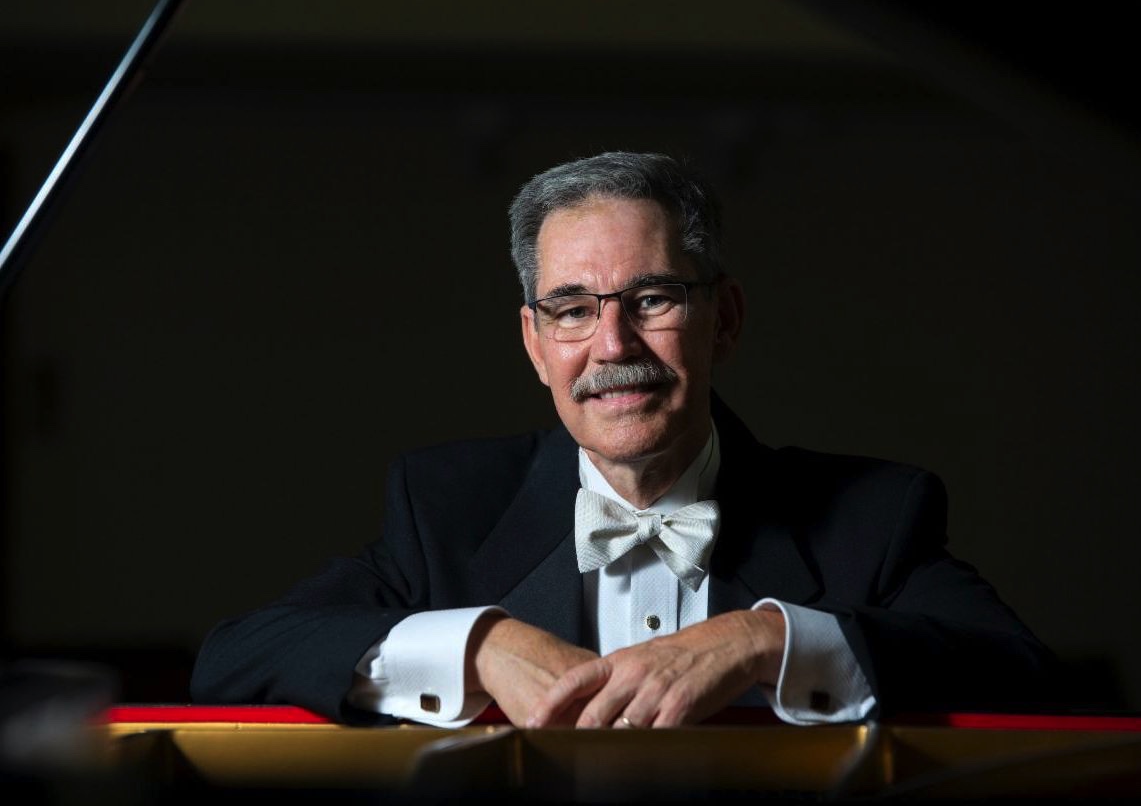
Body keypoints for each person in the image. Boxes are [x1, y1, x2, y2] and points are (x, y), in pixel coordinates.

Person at [190, 152, 1053, 729]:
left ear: (725, 320)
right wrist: (478, 645)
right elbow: (236, 656)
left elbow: (1025, 675)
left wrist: (764, 640)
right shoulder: (448, 507)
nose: (612, 346)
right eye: (571, 310)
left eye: (652, 299)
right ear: (535, 344)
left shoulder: (872, 514)